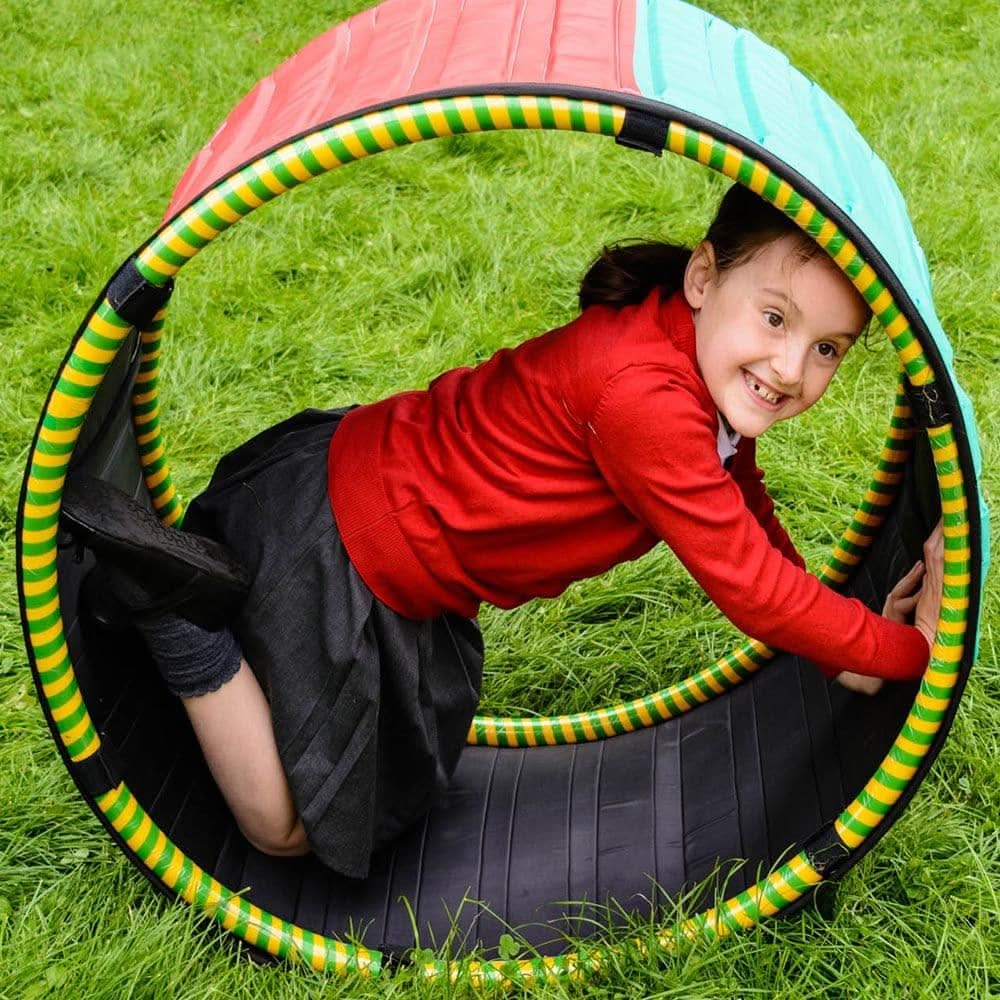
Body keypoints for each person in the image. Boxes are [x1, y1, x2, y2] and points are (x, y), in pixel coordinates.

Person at [62, 183, 944, 879]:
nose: (791, 368)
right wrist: (913, 656)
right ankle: (175, 615)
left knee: (399, 792)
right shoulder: (644, 398)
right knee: (287, 829)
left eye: (830, 347)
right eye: (777, 318)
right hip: (343, 549)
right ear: (704, 278)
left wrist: (843, 644)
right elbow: (747, 583)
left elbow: (745, 514)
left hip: (368, 507)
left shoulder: (688, 354)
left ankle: (215, 609)